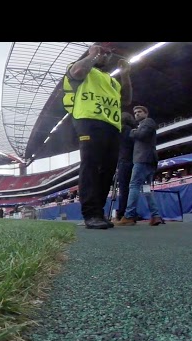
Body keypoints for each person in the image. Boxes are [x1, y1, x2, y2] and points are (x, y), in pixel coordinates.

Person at [63, 43, 132, 229]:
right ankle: (90, 213)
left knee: (107, 170)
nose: (106, 56)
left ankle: (99, 212)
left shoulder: (111, 80)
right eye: (103, 52)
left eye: (109, 54)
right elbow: (76, 72)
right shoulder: (83, 69)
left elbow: (125, 100)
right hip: (88, 122)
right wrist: (92, 55)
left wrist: (124, 74)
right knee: (91, 165)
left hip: (112, 125)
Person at [115, 105, 163, 226]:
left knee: (134, 185)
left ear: (146, 113)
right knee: (146, 189)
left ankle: (129, 215)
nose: (136, 114)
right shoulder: (140, 126)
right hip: (147, 161)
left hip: (143, 160)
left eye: (139, 112)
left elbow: (141, 135)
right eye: (135, 112)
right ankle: (155, 215)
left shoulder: (148, 122)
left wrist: (131, 131)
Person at [115, 111, 137, 220]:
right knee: (131, 188)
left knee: (124, 189)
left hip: (123, 161)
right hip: (132, 160)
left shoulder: (119, 130)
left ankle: (122, 212)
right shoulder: (131, 131)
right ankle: (128, 212)